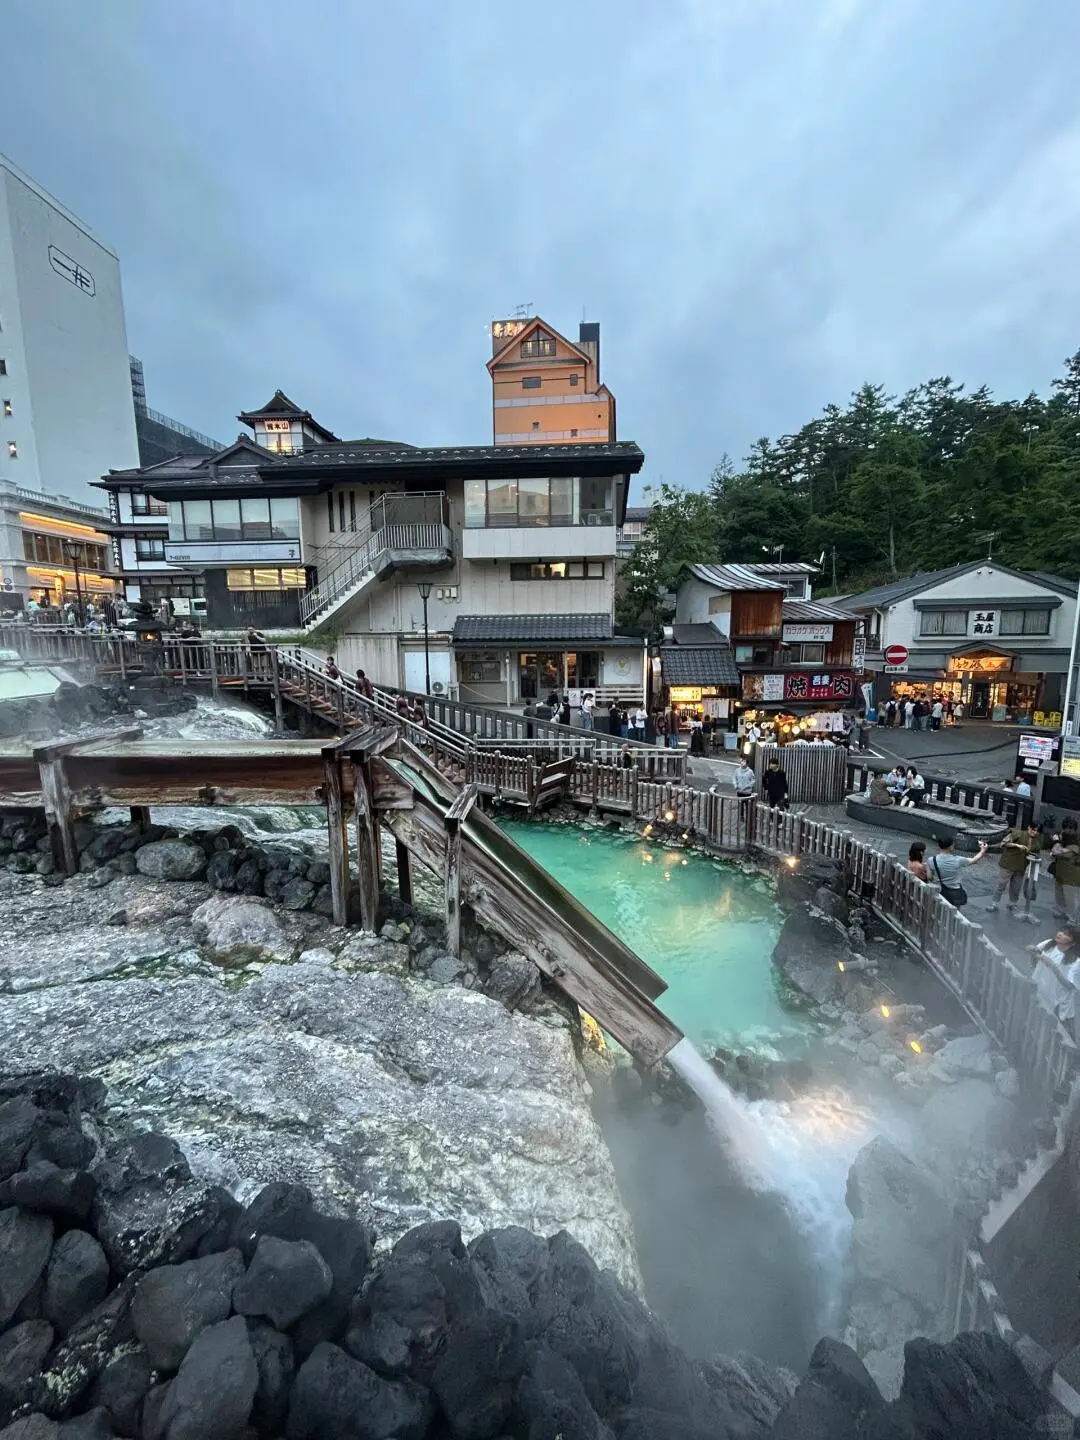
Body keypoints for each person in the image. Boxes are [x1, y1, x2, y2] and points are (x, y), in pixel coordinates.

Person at [987, 822, 1043, 914]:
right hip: (1008, 863)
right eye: (1033, 830)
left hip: (1021, 866)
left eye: (1037, 831)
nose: (1035, 832)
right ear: (1029, 827)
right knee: (1001, 884)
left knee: (1016, 887)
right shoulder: (1018, 833)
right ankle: (994, 903)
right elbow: (1004, 843)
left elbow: (1037, 853)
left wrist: (1037, 861)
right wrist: (1017, 845)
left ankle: (1012, 903)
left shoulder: (1036, 841)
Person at [1029, 926, 1080, 1026]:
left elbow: (1070, 986)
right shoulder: (1049, 944)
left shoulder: (1076, 962)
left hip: (1056, 1003)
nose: (1060, 934)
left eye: (1066, 934)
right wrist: (1032, 952)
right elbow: (1035, 963)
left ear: (1073, 942)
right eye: (1061, 931)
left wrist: (1052, 966)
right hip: (1039, 990)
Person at [930, 834, 987, 909]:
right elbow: (974, 860)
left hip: (939, 891)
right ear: (951, 846)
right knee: (954, 911)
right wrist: (983, 850)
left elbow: (929, 877)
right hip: (954, 892)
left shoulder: (931, 860)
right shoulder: (958, 860)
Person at [1050, 822, 1080, 922]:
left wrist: (1056, 842)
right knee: (1060, 894)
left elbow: (1056, 852)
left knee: (1070, 897)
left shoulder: (1074, 846)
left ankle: (1073, 919)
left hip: (1071, 877)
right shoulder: (1065, 844)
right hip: (1060, 874)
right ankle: (1063, 912)